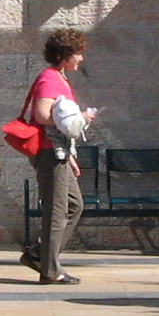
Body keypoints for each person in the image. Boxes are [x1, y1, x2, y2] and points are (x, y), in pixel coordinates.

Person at [18, 29, 97, 285]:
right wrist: (79, 120)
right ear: (64, 55)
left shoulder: (59, 78)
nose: (81, 58)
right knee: (57, 211)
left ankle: (39, 255)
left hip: (59, 152)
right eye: (78, 53)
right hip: (49, 152)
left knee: (74, 206)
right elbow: (42, 115)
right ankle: (50, 270)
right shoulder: (50, 78)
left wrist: (70, 153)